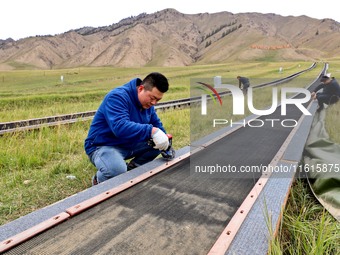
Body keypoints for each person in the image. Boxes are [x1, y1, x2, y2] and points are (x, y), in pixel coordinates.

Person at [84, 72, 172, 185]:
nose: (154, 103)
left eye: (157, 100)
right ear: (141, 89)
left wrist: (166, 144)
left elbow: (156, 124)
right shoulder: (117, 97)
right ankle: (99, 180)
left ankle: (132, 171)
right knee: (116, 170)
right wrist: (152, 131)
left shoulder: (147, 104)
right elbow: (120, 127)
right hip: (104, 145)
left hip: (128, 144)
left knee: (158, 143)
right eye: (152, 98)